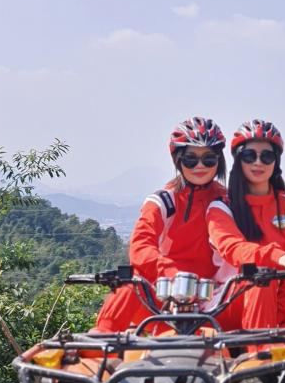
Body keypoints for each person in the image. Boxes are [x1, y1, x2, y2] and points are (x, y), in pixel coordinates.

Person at [94, 116, 228, 332]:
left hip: (214, 299)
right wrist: (174, 277)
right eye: (191, 159)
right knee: (128, 286)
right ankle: (98, 350)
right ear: (178, 160)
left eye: (209, 159)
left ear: (218, 160)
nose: (200, 166)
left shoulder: (227, 201)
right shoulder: (164, 200)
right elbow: (140, 247)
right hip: (164, 299)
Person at [205, 119, 285, 332]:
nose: (258, 163)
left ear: (276, 161)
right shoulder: (221, 208)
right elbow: (233, 248)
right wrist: (276, 256)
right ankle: (259, 355)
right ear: (238, 160)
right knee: (262, 277)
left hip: (271, 308)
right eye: (249, 155)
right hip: (225, 307)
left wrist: (279, 315)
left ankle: (264, 349)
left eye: (267, 156)